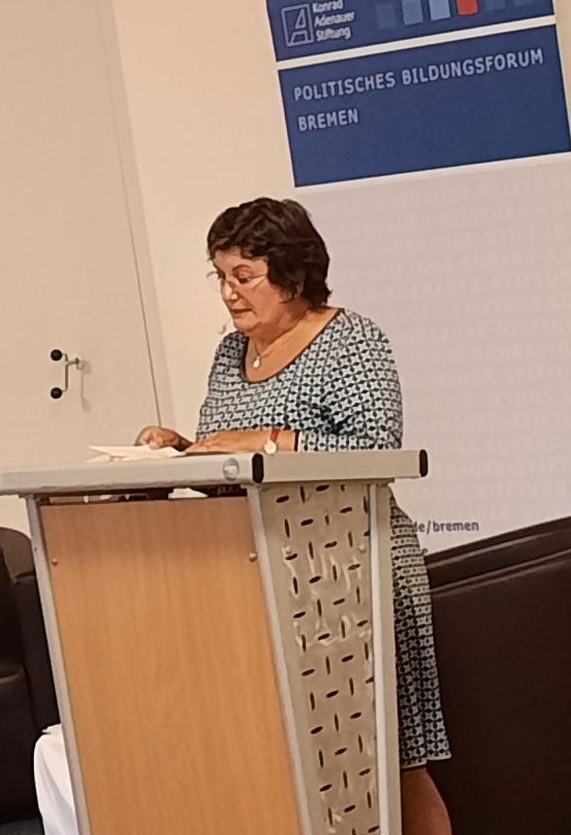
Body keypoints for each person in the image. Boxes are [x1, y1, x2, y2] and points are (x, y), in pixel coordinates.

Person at [136, 196, 454, 835]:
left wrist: (268, 440)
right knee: (288, 757)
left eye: (244, 276)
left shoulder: (351, 340)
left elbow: (378, 450)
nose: (228, 293)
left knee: (394, 758)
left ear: (292, 274)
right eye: (220, 276)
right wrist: (181, 449)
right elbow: (227, 459)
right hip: (260, 573)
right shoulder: (230, 354)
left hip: (356, 567)